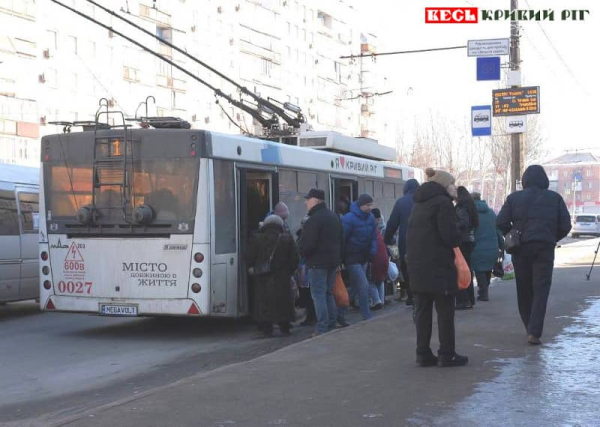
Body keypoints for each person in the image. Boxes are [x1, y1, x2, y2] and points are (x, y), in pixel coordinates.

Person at [497, 165, 571, 345]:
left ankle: (528, 326)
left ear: (525, 180)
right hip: (544, 248)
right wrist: (551, 237)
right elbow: (566, 225)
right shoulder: (555, 198)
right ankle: (534, 332)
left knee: (523, 288)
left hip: (521, 248)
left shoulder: (514, 198)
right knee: (541, 289)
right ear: (544, 179)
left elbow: (500, 221)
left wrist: (513, 233)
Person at [406, 167, 468, 367]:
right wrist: (460, 233)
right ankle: (446, 353)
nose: (454, 187)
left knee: (422, 311)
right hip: (439, 267)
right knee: (445, 311)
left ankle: (422, 353)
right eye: (452, 183)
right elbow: (449, 236)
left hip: (417, 267)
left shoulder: (418, 204)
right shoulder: (443, 204)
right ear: (443, 184)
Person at [298, 189, 343, 336]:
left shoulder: (314, 219)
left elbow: (308, 244)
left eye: (308, 199)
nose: (306, 202)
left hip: (317, 263)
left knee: (318, 295)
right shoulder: (333, 216)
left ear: (316, 201)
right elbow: (341, 239)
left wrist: (302, 252)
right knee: (328, 293)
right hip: (332, 262)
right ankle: (332, 322)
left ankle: (322, 327)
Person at [246, 215, 299, 337]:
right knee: (284, 301)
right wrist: (289, 272)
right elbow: (295, 259)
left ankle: (266, 329)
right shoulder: (287, 239)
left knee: (263, 301)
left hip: (262, 276)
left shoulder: (257, 238)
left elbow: (249, 256)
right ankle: (285, 327)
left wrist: (252, 268)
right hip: (283, 278)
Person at [342, 193, 378, 321]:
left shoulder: (369, 217)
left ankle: (339, 312)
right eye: (368, 205)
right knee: (363, 285)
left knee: (356, 287)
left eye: (370, 205)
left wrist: (373, 251)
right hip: (352, 258)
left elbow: (374, 237)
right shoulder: (349, 219)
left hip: (364, 257)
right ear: (361, 205)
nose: (370, 207)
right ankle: (366, 315)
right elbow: (342, 239)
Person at [385, 179, 420, 306]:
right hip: (424, 242)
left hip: (407, 242)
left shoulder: (401, 202)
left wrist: (387, 239)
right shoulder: (424, 200)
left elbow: (392, 223)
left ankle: (411, 296)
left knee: (407, 269)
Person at [471, 192, 504, 302]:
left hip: (477, 247)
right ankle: (484, 290)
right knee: (487, 269)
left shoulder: (470, 214)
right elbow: (498, 231)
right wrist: (502, 246)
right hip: (492, 247)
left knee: (479, 270)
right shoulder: (491, 213)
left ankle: (483, 293)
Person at [455, 186, 479, 310]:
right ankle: (470, 299)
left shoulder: (462, 207)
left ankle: (464, 300)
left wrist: (452, 225)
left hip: (462, 241)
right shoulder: (469, 206)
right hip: (469, 240)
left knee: (460, 270)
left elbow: (463, 223)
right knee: (467, 270)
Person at [369, 209, 388, 310]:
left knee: (369, 281)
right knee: (380, 280)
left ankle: (377, 301)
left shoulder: (371, 229)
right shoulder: (381, 230)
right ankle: (381, 300)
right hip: (384, 257)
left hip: (376, 258)